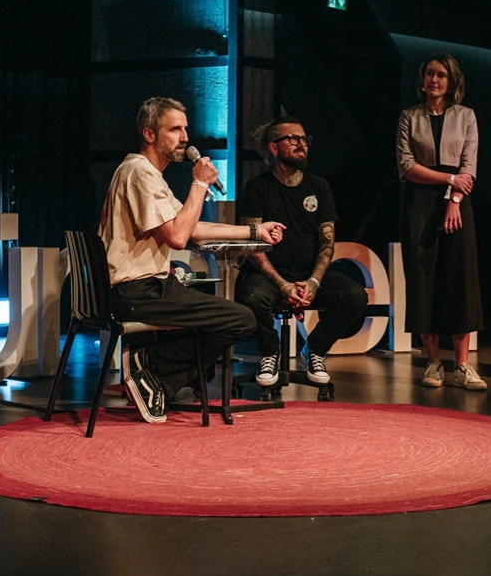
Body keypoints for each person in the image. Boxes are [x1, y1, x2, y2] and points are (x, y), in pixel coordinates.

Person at [99, 97, 285, 423]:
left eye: (185, 129)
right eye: (175, 129)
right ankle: (152, 366)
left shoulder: (148, 175)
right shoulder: (140, 174)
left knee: (220, 314)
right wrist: (199, 184)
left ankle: (156, 377)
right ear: (149, 134)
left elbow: (192, 227)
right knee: (240, 319)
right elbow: (179, 238)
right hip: (135, 291)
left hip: (147, 286)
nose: (185, 137)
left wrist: (254, 230)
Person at [234, 116, 368, 386]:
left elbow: (327, 243)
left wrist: (314, 282)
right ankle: (269, 353)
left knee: (354, 296)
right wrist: (284, 286)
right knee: (253, 295)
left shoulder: (319, 186)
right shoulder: (258, 188)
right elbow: (252, 245)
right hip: (270, 273)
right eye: (292, 139)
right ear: (274, 148)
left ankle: (315, 349)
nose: (301, 144)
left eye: (304, 139)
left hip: (308, 273)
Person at [396, 53, 486, 391]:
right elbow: (406, 166)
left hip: (457, 203)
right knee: (423, 278)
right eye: (430, 74)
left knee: (459, 276)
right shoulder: (409, 117)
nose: (434, 80)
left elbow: (468, 166)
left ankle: (463, 365)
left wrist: (454, 201)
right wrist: (447, 181)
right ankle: (433, 361)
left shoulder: (466, 116)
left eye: (441, 75)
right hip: (418, 203)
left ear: (452, 82)